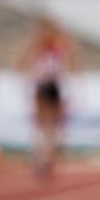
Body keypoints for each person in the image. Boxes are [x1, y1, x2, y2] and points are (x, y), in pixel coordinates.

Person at [21, 18, 76, 180]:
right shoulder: (39, 45)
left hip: (52, 86)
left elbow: (68, 64)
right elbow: (25, 62)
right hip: (44, 85)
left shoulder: (57, 45)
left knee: (51, 125)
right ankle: (43, 156)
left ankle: (47, 157)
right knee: (44, 125)